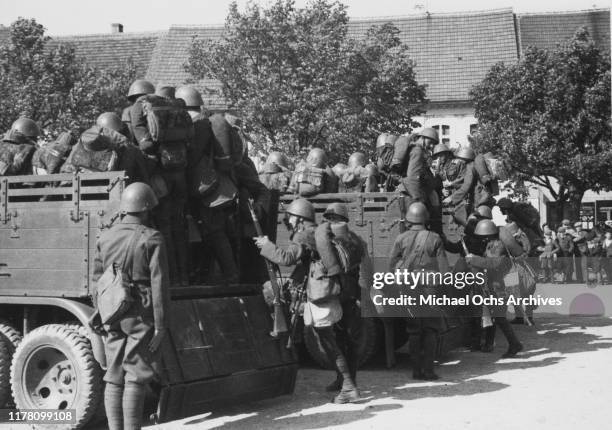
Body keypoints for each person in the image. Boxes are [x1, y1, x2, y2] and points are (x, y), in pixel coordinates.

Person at [254, 198, 359, 403]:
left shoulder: (304, 234)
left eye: (290, 218)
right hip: (340, 291)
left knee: (327, 340)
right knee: (339, 339)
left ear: (298, 218)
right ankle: (343, 380)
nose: (288, 222)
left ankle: (348, 387)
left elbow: (286, 258)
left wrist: (266, 245)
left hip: (324, 294)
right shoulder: (319, 232)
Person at [92, 182, 170, 430]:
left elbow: (97, 282)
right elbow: (159, 286)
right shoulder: (152, 238)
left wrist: (103, 313)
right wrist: (160, 326)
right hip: (141, 313)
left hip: (113, 310)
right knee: (136, 374)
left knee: (114, 375)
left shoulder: (104, 236)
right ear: (146, 208)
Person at [130, 79, 191, 287]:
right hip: (180, 171)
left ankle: (171, 278)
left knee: (163, 227)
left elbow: (144, 145)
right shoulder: (177, 107)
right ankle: (185, 276)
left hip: (161, 173)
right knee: (179, 226)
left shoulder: (140, 107)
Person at [178, 85, 239, 283]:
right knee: (212, 233)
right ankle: (216, 274)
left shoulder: (197, 126)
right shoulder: (208, 122)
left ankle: (229, 275)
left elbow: (192, 157)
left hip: (204, 188)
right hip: (215, 187)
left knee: (213, 233)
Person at [388, 202, 449, 380]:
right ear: (425, 218)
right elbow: (444, 272)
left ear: (409, 219)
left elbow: (391, 265)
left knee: (414, 330)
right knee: (430, 329)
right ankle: (428, 371)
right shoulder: (435, 238)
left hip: (409, 287)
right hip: (430, 288)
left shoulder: (401, 238)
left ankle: (416, 371)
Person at [318, 202, 366, 392]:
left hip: (335, 293)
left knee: (335, 339)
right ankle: (347, 379)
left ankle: (345, 381)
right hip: (352, 295)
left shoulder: (326, 240)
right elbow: (365, 269)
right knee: (350, 340)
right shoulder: (357, 239)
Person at [465, 219, 523, 357]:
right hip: (494, 285)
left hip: (499, 287)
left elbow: (494, 264)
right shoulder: (492, 244)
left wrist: (473, 259)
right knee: (498, 317)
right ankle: (512, 344)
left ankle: (515, 344)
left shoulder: (499, 246)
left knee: (500, 317)